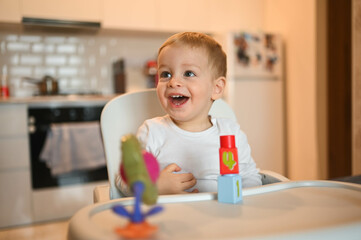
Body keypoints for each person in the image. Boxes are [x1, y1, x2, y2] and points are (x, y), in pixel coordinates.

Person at [117, 32, 261, 196]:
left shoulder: (230, 132)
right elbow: (124, 180)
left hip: (223, 218)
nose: (173, 82)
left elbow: (250, 178)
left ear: (217, 88)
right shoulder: (152, 131)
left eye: (189, 73)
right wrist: (154, 186)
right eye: (166, 74)